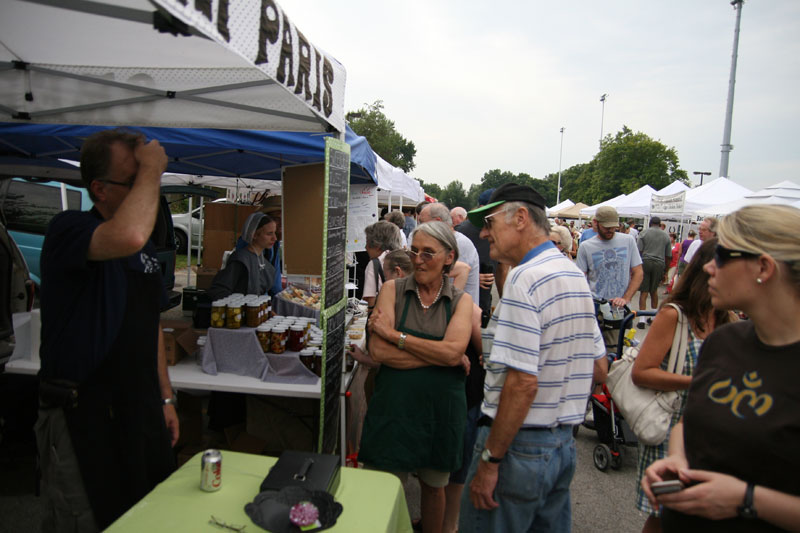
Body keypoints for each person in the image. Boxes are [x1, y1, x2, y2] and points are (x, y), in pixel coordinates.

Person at [36, 128, 178, 531]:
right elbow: (128, 234)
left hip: (138, 410)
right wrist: (152, 166)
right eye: (133, 181)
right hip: (84, 415)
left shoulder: (144, 251)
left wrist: (165, 399)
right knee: (87, 521)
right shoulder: (70, 229)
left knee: (145, 517)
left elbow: (150, 324)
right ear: (98, 188)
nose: (145, 188)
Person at [459, 183, 607, 533]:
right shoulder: (572, 274)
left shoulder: (526, 278)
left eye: (490, 222)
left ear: (521, 218)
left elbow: (523, 382)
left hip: (517, 446)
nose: (483, 232)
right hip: (560, 446)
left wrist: (492, 460)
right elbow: (599, 367)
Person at [642, 205, 800, 532]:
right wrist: (675, 460)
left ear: (764, 267)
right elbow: (689, 424)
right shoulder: (724, 341)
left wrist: (747, 499)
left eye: (723, 255)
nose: (709, 268)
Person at [359, 221, 473, 533]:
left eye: (428, 253)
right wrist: (441, 357)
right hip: (394, 408)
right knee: (383, 485)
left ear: (449, 257)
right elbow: (380, 354)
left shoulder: (461, 301)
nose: (418, 259)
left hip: (439, 413)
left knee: (434, 488)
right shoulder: (391, 290)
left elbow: (453, 354)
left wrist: (396, 335)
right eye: (414, 251)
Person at [631, 238, 735, 533]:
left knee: (698, 513)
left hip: (711, 430)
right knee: (664, 513)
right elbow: (642, 372)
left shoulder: (729, 318)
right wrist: (697, 381)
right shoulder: (674, 315)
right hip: (670, 425)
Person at [575, 206, 643, 345]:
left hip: (619, 311)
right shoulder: (586, 246)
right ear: (595, 223)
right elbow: (580, 279)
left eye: (613, 227)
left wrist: (626, 298)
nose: (610, 230)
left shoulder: (628, 241)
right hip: (595, 310)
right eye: (606, 227)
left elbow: (638, 272)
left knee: (615, 351)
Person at [206, 212, 278, 300]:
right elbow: (219, 290)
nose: (275, 238)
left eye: (274, 233)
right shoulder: (240, 260)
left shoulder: (262, 260)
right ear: (254, 235)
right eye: (269, 234)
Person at [419, 203, 480, 305]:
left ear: (437, 222)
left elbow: (449, 284)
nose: (419, 228)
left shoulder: (459, 244)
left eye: (422, 223)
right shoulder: (449, 242)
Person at [455, 188, 499, 328]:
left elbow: (502, 270)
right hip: (462, 303)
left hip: (483, 302)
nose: (484, 234)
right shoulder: (460, 231)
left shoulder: (503, 234)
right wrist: (473, 276)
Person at [636, 216, 672, 329]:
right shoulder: (665, 236)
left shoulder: (643, 233)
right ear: (659, 224)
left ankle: (641, 320)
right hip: (659, 263)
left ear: (650, 223)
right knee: (654, 290)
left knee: (644, 291)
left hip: (645, 261)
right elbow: (668, 256)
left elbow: (639, 251)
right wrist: (665, 271)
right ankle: (653, 317)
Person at [361, 220, 403, 311]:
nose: (365, 247)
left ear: (377, 245)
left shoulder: (375, 264)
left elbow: (370, 298)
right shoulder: (404, 258)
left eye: (367, 242)